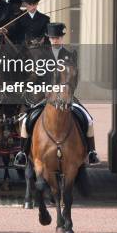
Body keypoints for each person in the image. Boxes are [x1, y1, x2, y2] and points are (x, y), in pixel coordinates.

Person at [14, 22, 100, 167]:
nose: (55, 40)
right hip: (45, 97)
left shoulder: (69, 55)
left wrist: (70, 92)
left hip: (66, 96)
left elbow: (74, 77)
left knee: (88, 119)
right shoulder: (41, 56)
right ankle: (22, 153)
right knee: (25, 121)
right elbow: (37, 77)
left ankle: (91, 152)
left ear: (62, 38)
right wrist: (43, 89)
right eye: (53, 38)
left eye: (58, 37)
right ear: (48, 38)